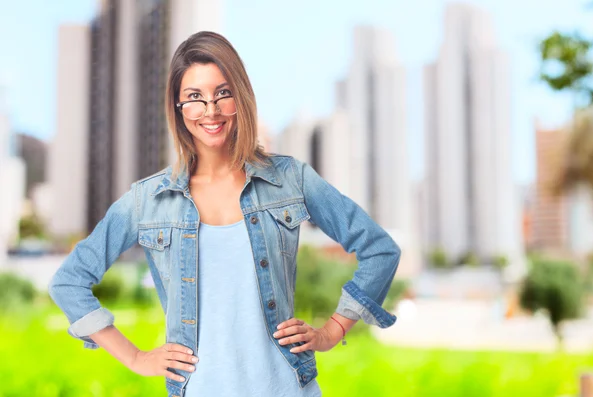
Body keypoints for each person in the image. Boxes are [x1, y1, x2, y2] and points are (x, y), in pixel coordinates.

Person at [48, 31, 401, 397]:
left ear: (241, 97)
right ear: (178, 107)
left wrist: (332, 331)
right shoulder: (147, 200)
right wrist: (136, 358)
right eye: (194, 98)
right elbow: (69, 282)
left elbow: (380, 249)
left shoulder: (291, 179)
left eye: (223, 93)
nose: (211, 110)